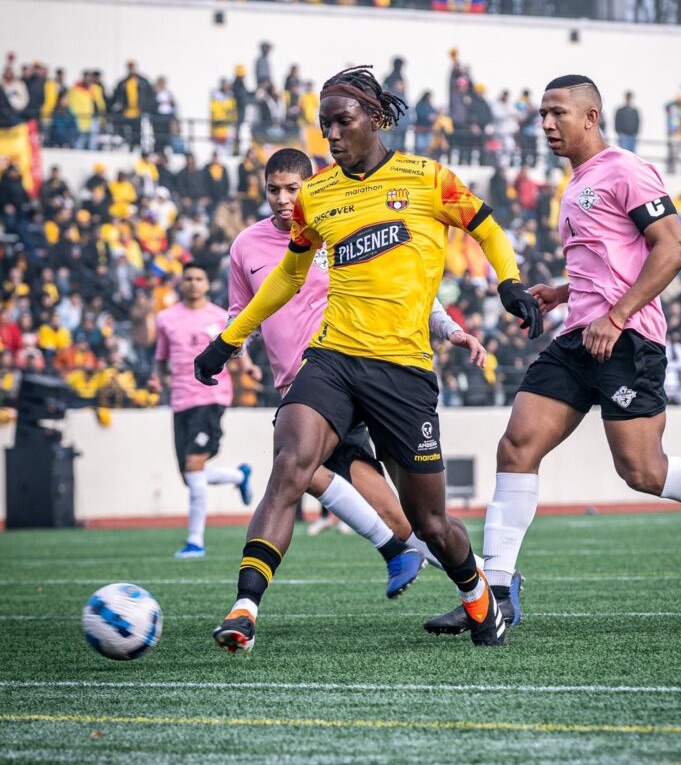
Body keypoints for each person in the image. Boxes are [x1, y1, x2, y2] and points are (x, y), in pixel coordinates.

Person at [423, 74, 681, 636]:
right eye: (542, 115)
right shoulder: (576, 182)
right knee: (517, 445)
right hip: (579, 336)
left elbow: (674, 248)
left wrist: (616, 315)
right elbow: (608, 262)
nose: (547, 124)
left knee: (644, 471)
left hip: (628, 339)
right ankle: (496, 591)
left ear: (591, 117)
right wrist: (562, 293)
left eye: (558, 113)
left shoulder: (625, 169)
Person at [194, 65, 543, 652]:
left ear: (375, 119)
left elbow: (486, 228)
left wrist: (509, 282)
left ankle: (478, 594)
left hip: (403, 372)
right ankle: (244, 608)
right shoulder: (317, 194)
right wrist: (230, 340)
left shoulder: (427, 178)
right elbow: (287, 276)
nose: (330, 135)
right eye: (323, 124)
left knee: (429, 523)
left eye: (342, 121)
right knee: (291, 464)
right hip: (332, 359)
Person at [229, 146, 492, 597]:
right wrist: (232, 351)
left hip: (353, 370)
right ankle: (485, 579)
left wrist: (451, 331)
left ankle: (413, 557)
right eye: (273, 189)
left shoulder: (337, 225)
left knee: (302, 470)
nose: (282, 198)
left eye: (292, 188)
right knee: (397, 514)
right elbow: (243, 313)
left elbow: (406, 286)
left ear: (310, 185)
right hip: (300, 385)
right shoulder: (246, 246)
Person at [150, 262, 256, 559]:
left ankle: (195, 542)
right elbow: (161, 357)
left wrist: (249, 369)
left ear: (207, 284)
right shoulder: (166, 319)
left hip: (211, 397)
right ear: (181, 283)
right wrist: (156, 378)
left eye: (199, 278)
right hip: (180, 400)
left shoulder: (220, 316)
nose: (193, 283)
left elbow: (236, 347)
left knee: (194, 467)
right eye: (188, 279)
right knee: (189, 474)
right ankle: (238, 476)